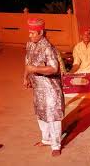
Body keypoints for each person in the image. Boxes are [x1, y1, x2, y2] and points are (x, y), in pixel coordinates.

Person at [23, 18, 65, 157]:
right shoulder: (30, 44)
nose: (30, 35)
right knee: (40, 113)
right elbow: (27, 63)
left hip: (50, 88)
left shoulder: (48, 47)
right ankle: (46, 139)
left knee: (52, 115)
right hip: (38, 87)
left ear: (41, 32)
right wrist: (26, 77)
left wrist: (34, 69)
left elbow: (54, 68)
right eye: (29, 33)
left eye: (33, 33)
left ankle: (56, 144)